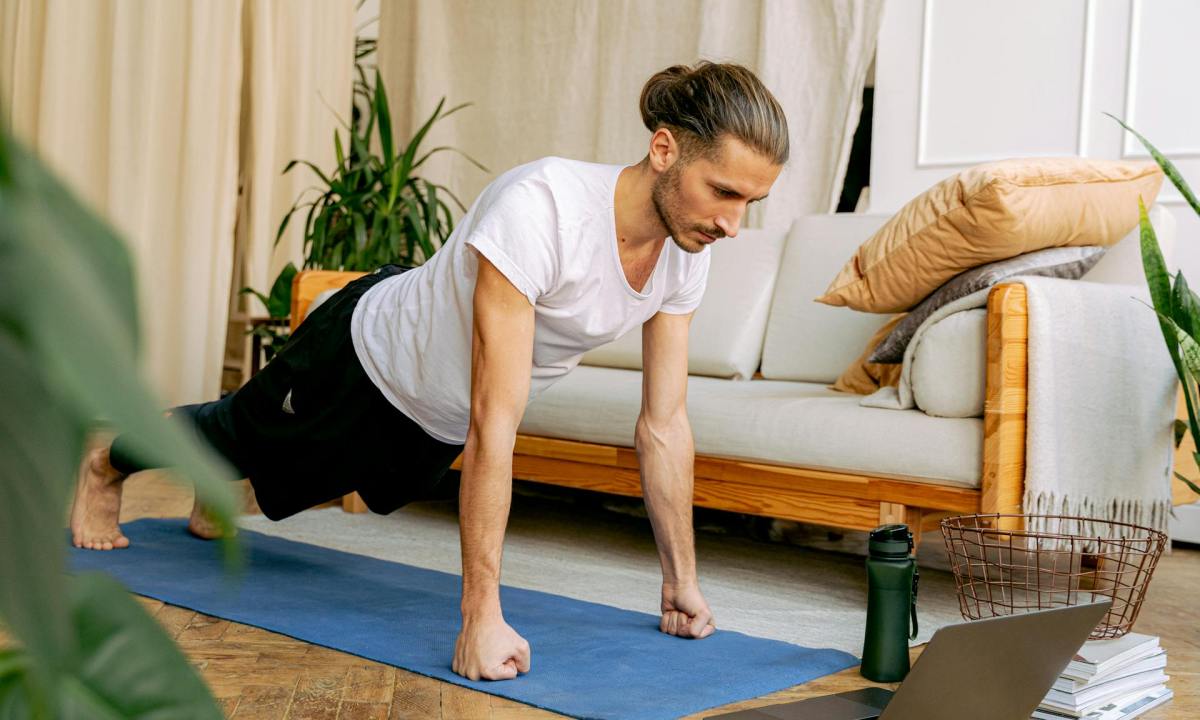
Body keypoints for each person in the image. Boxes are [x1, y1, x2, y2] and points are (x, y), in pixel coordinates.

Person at [70, 60, 788, 681]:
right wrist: (480, 619)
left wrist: (681, 582)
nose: (732, 224)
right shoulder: (542, 209)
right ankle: (107, 458)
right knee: (232, 433)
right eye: (723, 192)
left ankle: (227, 470)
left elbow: (663, 426)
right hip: (360, 357)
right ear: (664, 149)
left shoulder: (684, 260)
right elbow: (494, 417)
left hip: (426, 419)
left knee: (306, 482)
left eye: (750, 204)